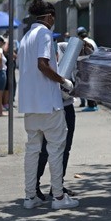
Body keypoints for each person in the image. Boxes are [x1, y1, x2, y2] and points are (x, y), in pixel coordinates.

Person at [18, 0, 79, 210]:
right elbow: (42, 65)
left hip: (29, 105)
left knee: (32, 150)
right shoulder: (44, 33)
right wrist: (63, 81)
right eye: (54, 17)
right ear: (50, 16)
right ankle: (59, 198)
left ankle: (29, 197)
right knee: (56, 150)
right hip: (48, 104)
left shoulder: (26, 36)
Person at [35, 41, 77, 201]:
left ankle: (57, 185)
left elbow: (87, 50)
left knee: (65, 148)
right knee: (45, 149)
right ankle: (35, 186)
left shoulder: (66, 50)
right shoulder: (44, 61)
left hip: (67, 107)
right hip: (52, 108)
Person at [77, 26, 98, 112]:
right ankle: (94, 104)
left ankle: (91, 105)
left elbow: (82, 55)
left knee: (87, 86)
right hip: (94, 66)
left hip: (87, 67)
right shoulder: (91, 41)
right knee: (91, 86)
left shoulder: (84, 42)